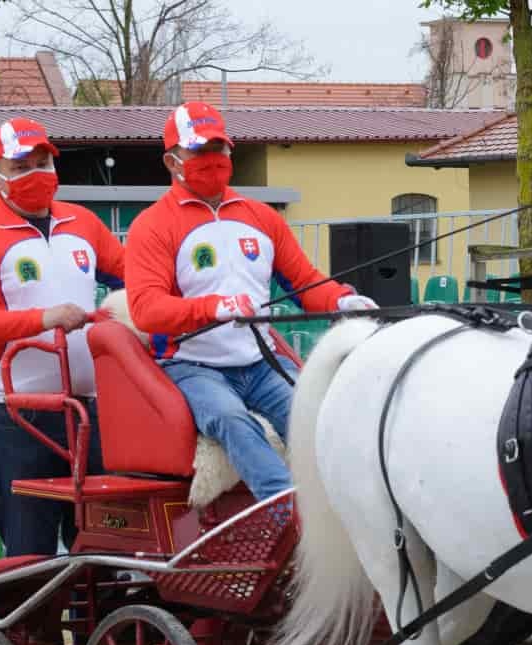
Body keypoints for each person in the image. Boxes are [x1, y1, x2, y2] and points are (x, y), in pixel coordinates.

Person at [125, 101, 377, 502]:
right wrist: (214, 308)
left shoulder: (262, 217)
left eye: (219, 149)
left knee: (313, 416)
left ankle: (348, 504)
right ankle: (287, 510)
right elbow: (146, 310)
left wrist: (343, 300)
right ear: (172, 161)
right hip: (191, 366)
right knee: (230, 418)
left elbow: (305, 281)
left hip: (258, 363)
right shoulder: (152, 226)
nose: (212, 160)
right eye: (199, 151)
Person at [0, 116, 122, 555]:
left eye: (43, 162)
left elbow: (137, 276)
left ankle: (95, 627)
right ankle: (30, 627)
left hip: (87, 409)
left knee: (102, 546)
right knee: (30, 550)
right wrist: (43, 318)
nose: (36, 174)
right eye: (21, 166)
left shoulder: (83, 222)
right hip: (14, 412)